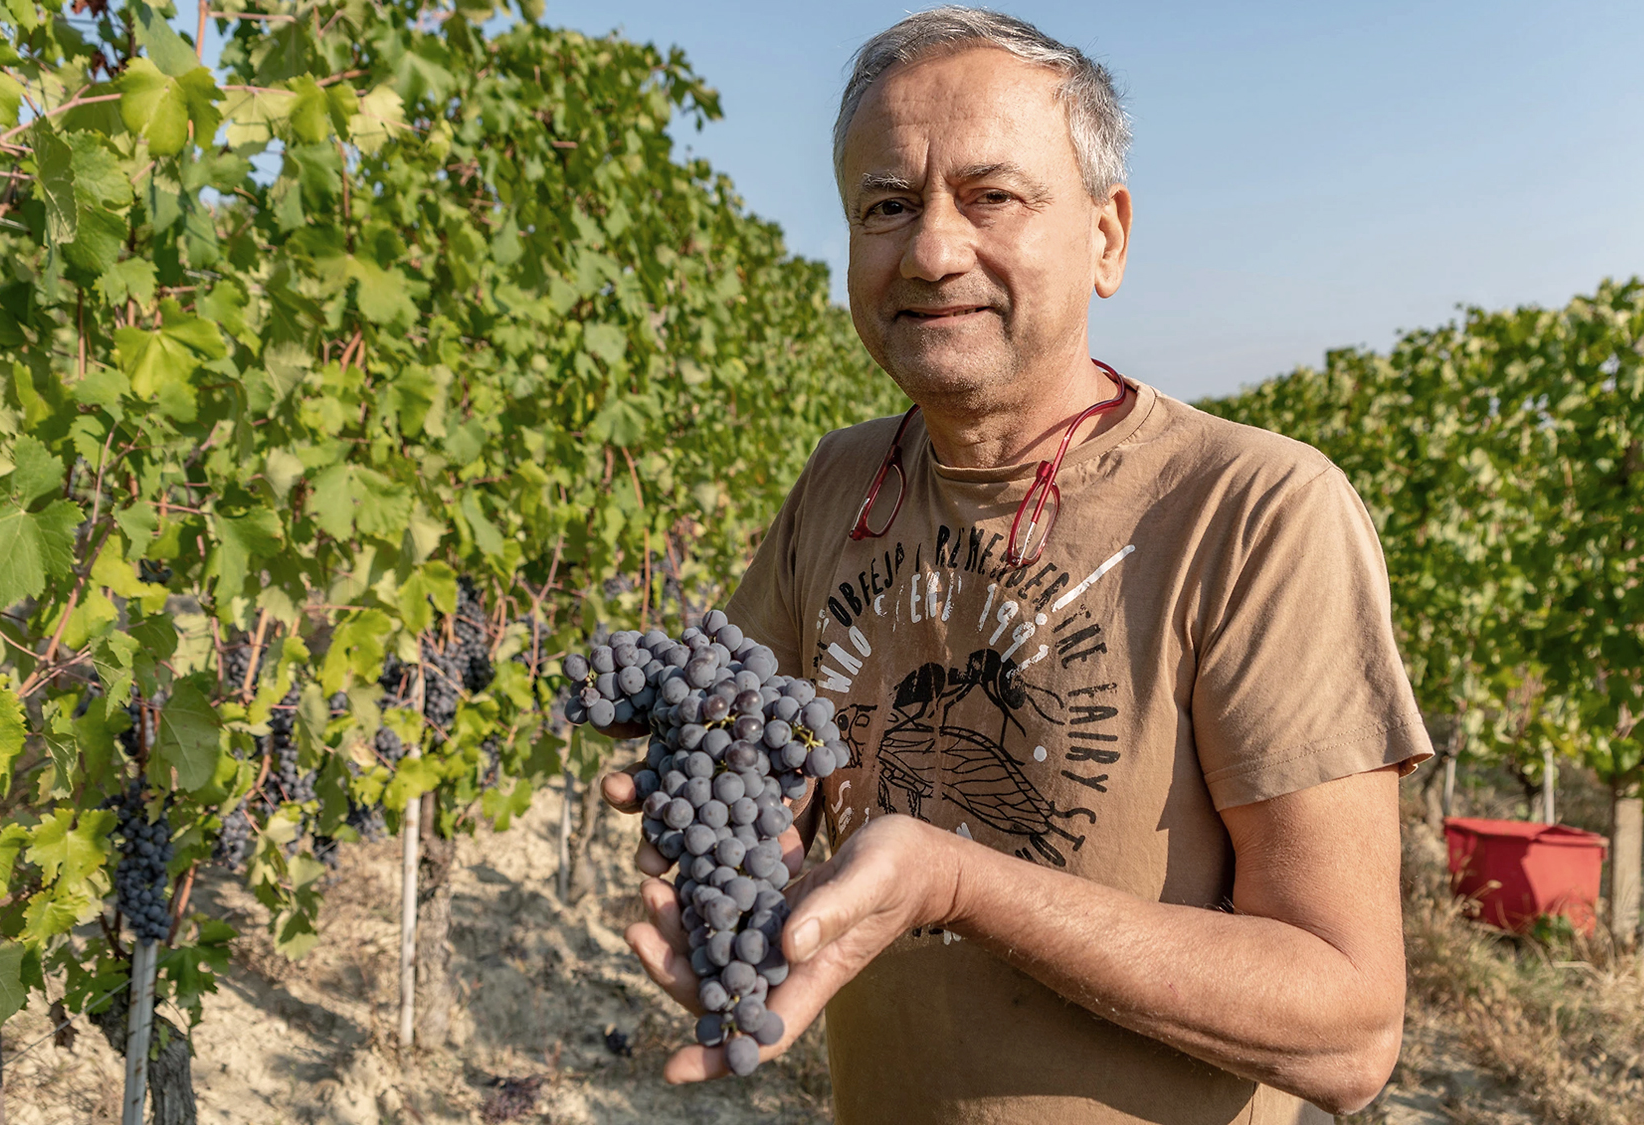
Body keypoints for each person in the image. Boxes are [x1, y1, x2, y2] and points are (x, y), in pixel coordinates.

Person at [600, 8, 1432, 1123]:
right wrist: (748, 848)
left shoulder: (1255, 513)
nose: (931, 250)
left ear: (1107, 237)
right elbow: (759, 768)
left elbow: (1348, 1033)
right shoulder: (842, 481)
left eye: (991, 196)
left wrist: (955, 883)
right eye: (886, 207)